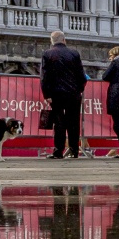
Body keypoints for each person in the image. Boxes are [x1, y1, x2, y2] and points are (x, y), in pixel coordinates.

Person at [40, 30, 87, 159]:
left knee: (59, 122)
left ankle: (58, 151)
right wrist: (80, 89)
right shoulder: (74, 53)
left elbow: (44, 76)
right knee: (74, 122)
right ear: (64, 40)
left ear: (52, 41)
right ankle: (74, 150)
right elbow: (81, 75)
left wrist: (46, 94)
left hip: (56, 93)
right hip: (73, 93)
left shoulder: (47, 54)